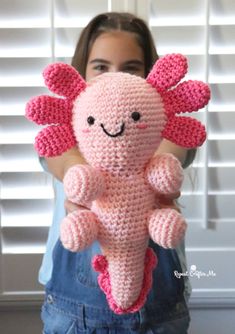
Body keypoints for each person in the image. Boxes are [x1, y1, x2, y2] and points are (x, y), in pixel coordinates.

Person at [39, 12, 195, 334]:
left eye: (130, 68)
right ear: (82, 72)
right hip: (74, 306)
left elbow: (171, 150)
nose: (114, 77)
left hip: (161, 303)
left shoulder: (168, 131)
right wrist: (77, 176)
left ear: (149, 74)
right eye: (100, 67)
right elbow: (61, 157)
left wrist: (153, 173)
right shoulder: (62, 135)